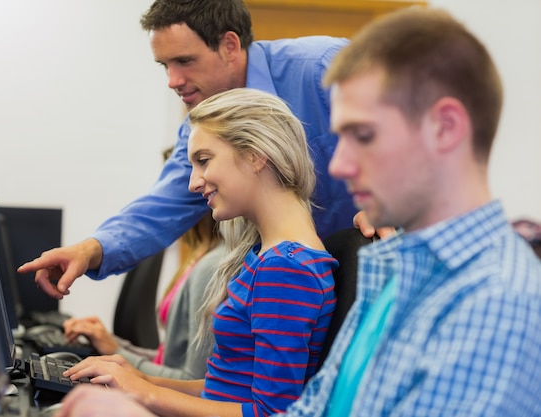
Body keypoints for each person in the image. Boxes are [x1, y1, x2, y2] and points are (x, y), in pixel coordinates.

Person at [53, 7, 541, 417]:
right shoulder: (388, 275)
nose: (339, 165)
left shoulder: (495, 299)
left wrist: (144, 394)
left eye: (363, 136)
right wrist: (139, 386)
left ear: (444, 128)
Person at [17, 0, 362, 300]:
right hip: (311, 285)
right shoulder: (201, 127)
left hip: (377, 267)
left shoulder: (323, 67)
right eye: (165, 66)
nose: (172, 80)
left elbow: (412, 130)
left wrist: (392, 209)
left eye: (184, 61)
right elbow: (162, 207)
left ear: (229, 45)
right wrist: (90, 249)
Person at [59, 88, 338, 417]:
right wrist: (140, 378)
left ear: (255, 154)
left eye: (203, 161)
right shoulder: (267, 257)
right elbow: (224, 389)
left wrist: (145, 394)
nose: (193, 182)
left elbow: (270, 413)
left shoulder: (286, 269)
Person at [63, 211, 224, 379]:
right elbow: (168, 361)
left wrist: (116, 352)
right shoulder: (201, 255)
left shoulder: (211, 266)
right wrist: (112, 343)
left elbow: (192, 381)